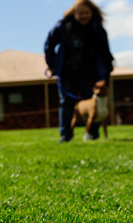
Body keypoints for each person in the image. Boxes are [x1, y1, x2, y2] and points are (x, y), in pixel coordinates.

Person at [44, 0, 114, 143]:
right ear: (74, 13)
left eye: (87, 13)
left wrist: (105, 73)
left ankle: (93, 133)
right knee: (66, 102)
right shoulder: (63, 26)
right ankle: (65, 135)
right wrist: (52, 64)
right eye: (80, 13)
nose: (84, 16)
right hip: (67, 71)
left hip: (89, 72)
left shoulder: (97, 28)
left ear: (92, 13)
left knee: (92, 102)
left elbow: (105, 52)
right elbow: (49, 44)